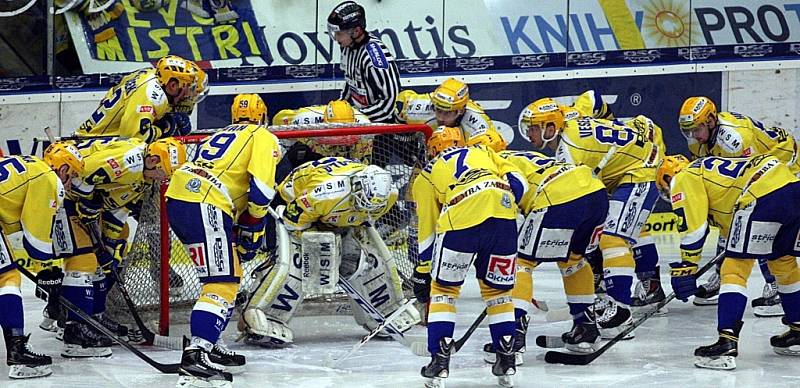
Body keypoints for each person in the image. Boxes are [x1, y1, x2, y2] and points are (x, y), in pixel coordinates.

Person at [237, 157, 419, 346]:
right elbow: (293, 221)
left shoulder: (389, 194)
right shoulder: (323, 194)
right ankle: (265, 315)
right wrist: (322, 243)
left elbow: (365, 217)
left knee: (367, 260)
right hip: (295, 203)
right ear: (356, 187)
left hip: (336, 209)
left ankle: (385, 309)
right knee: (299, 264)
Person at [519, 98, 660, 339]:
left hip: (640, 171)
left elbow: (568, 197)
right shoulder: (569, 126)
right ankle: (642, 288)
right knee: (609, 233)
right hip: (627, 169)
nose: (528, 134)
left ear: (550, 128)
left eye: (533, 127)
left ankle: (620, 313)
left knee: (613, 240)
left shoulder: (568, 148)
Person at [657, 154, 800, 370]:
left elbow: (694, 230)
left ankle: (726, 342)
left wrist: (686, 267)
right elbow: (732, 229)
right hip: (791, 188)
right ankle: (798, 331)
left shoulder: (683, 178)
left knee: (734, 268)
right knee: (782, 261)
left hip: (759, 194)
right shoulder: (710, 173)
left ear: (667, 179)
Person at [410, 126, 527, 388]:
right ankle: (506, 358)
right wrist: (502, 202)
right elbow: (520, 182)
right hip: (503, 213)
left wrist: (423, 270)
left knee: (444, 291)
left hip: (460, 214)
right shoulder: (482, 150)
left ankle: (439, 362)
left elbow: (427, 228)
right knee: (499, 294)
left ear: (432, 150)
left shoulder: (426, 175)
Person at [166, 123, 281, 387]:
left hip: (183, 197)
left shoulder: (222, 132)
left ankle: (212, 340)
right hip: (207, 200)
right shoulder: (264, 136)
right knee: (222, 281)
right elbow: (262, 191)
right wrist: (255, 223)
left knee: (231, 272)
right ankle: (197, 353)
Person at [49, 137, 186, 358]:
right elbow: (82, 171)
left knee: (114, 249)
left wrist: (108, 246)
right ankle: (74, 333)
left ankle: (94, 317)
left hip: (82, 206)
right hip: (63, 200)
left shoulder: (144, 178)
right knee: (84, 260)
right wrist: (87, 203)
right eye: (164, 172)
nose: (165, 178)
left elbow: (116, 214)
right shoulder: (129, 160)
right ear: (152, 160)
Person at [481, 150, 607, 363]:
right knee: (573, 259)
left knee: (519, 261)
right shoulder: (519, 155)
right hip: (596, 193)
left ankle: (511, 339)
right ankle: (585, 329)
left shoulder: (489, 167)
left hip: (558, 195)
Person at [678, 96, 797, 314]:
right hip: (763, 171)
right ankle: (723, 274)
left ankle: (776, 285)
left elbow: (753, 181)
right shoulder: (698, 139)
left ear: (711, 121)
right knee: (733, 224)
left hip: (786, 166)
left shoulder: (735, 140)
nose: (693, 136)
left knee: (759, 225)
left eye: (696, 129)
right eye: (688, 131)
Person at [0, 142, 83, 379]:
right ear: (63, 168)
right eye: (72, 175)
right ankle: (18, 352)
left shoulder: (30, 164)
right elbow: (36, 240)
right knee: (7, 277)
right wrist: (50, 274)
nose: (70, 183)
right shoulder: (49, 179)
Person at [74, 54, 198, 142]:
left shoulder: (148, 73)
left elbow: (113, 92)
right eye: (187, 87)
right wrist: (163, 129)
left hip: (91, 138)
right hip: (94, 144)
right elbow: (133, 138)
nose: (188, 94)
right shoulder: (151, 96)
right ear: (173, 85)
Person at [395, 78, 507, 153]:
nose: (441, 118)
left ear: (461, 111)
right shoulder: (418, 107)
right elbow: (400, 101)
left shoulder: (478, 125)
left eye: (448, 112)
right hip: (428, 156)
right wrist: (404, 140)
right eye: (438, 110)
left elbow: (495, 151)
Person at [272, 99, 372, 163]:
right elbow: (277, 121)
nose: (341, 138)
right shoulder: (304, 118)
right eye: (336, 129)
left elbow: (363, 160)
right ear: (324, 121)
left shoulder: (364, 124)